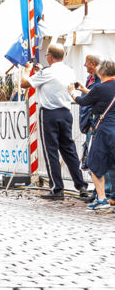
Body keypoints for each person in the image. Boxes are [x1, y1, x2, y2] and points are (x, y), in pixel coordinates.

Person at [20, 43, 88, 200]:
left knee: (51, 151)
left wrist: (26, 70)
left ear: (49, 56)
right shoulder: (69, 70)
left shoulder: (47, 72)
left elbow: (25, 83)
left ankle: (57, 187)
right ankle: (81, 186)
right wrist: (40, 74)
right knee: (69, 150)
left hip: (49, 113)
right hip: (66, 111)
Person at [70, 57, 115, 209]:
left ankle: (102, 199)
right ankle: (113, 197)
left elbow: (83, 102)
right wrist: (85, 89)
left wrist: (73, 93)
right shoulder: (102, 89)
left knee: (95, 164)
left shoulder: (99, 88)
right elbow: (103, 96)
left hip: (104, 130)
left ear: (101, 72)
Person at [78, 55, 102, 173]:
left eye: (86, 62)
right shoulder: (90, 78)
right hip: (90, 120)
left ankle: (101, 189)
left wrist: (80, 92)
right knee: (92, 154)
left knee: (96, 156)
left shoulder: (100, 79)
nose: (84, 65)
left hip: (97, 121)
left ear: (93, 64)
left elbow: (97, 95)